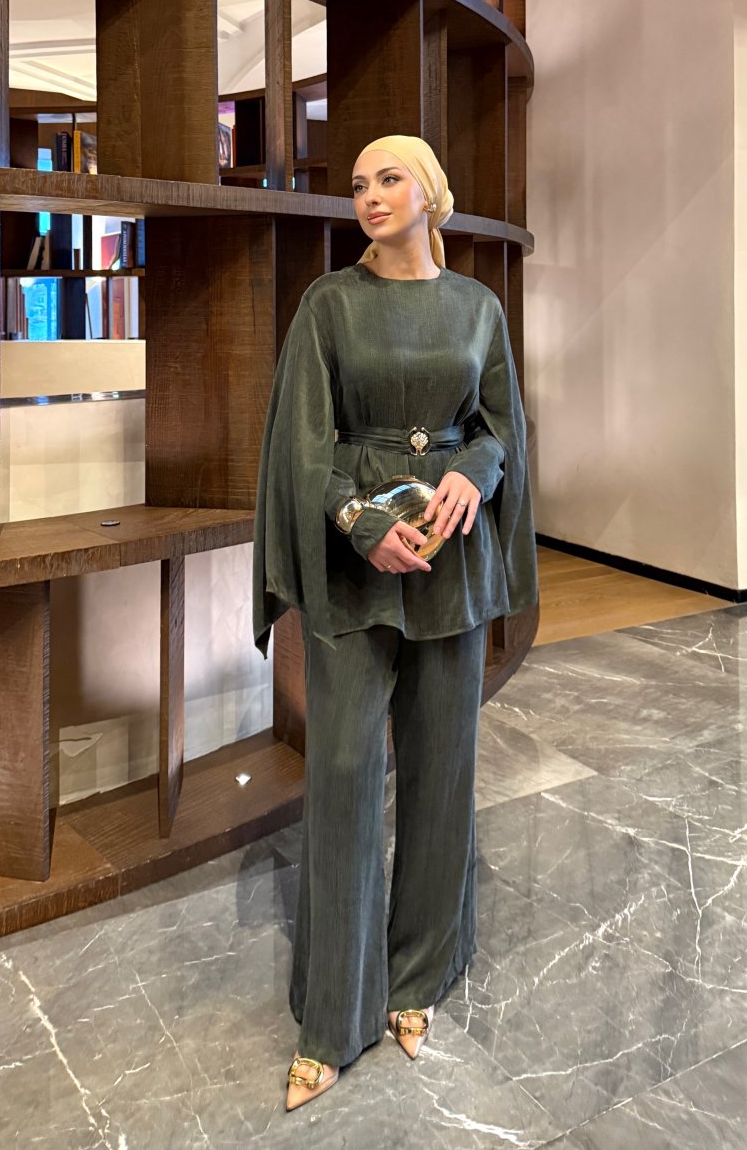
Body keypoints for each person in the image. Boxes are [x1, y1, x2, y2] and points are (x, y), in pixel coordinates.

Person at [251, 133, 537, 1111]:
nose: (369, 194)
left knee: (441, 765)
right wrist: (360, 521)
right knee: (340, 773)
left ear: (430, 194)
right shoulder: (327, 305)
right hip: (355, 565)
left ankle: (420, 974)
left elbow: (500, 426)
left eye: (388, 177)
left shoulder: (478, 307)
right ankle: (334, 1014)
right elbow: (302, 440)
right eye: (358, 183)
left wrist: (473, 473)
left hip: (452, 559)